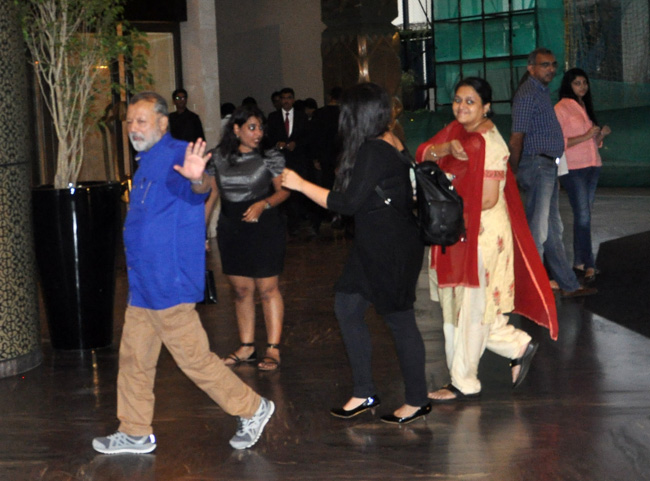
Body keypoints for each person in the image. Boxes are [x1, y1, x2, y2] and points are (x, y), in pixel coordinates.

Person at [92, 92, 274, 454]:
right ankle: (134, 431)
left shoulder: (178, 154)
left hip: (168, 282)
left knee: (194, 359)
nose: (133, 128)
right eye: (130, 121)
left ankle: (253, 408)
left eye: (141, 121)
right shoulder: (147, 160)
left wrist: (196, 180)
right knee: (134, 359)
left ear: (163, 123)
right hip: (145, 283)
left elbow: (198, 187)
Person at [282, 82, 431, 425]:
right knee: (347, 306)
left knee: (400, 320)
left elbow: (347, 204)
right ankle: (364, 391)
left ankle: (417, 400)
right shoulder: (387, 140)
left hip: (389, 248)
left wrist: (301, 184)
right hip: (376, 245)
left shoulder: (375, 149)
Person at [416, 78, 558, 402]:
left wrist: (446, 208)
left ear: (486, 107)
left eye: (470, 102)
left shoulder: (489, 143)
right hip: (456, 231)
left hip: (482, 235)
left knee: (471, 309)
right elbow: (424, 153)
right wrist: (445, 149)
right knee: (458, 307)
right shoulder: (456, 131)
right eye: (458, 100)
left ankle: (463, 381)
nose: (462, 107)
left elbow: (489, 199)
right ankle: (517, 345)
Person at [207, 106, 289, 371]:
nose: (258, 133)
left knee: (268, 289)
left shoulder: (269, 156)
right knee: (241, 291)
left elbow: (284, 191)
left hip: (264, 228)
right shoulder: (218, 157)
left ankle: (273, 348)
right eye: (252, 127)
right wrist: (200, 232)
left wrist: (264, 203)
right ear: (236, 129)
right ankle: (246, 346)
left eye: (260, 128)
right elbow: (211, 195)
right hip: (231, 229)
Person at [509, 48, 596, 298]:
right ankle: (531, 291)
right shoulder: (527, 94)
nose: (551, 69)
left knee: (553, 231)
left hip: (547, 167)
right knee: (538, 232)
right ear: (531, 68)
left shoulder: (541, 92)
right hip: (537, 165)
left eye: (553, 64)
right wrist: (514, 171)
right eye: (544, 65)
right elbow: (516, 137)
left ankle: (568, 285)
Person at [555, 68, 611, 283]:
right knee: (583, 216)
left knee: (584, 215)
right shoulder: (561, 108)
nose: (582, 87)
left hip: (592, 165)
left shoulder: (584, 106)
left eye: (584, 83)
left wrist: (599, 136)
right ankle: (589, 263)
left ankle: (580, 261)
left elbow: (591, 142)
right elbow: (559, 142)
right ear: (568, 85)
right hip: (574, 169)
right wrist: (586, 135)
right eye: (577, 83)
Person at [267, 87, 314, 237]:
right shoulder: (273, 117)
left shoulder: (301, 116)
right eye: (283, 98)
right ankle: (282, 224)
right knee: (280, 191)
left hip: (297, 160)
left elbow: (308, 136)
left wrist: (296, 143)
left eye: (288, 98)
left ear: (293, 100)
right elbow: (268, 137)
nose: (286, 101)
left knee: (296, 194)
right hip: (280, 161)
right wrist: (277, 144)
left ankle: (295, 224)